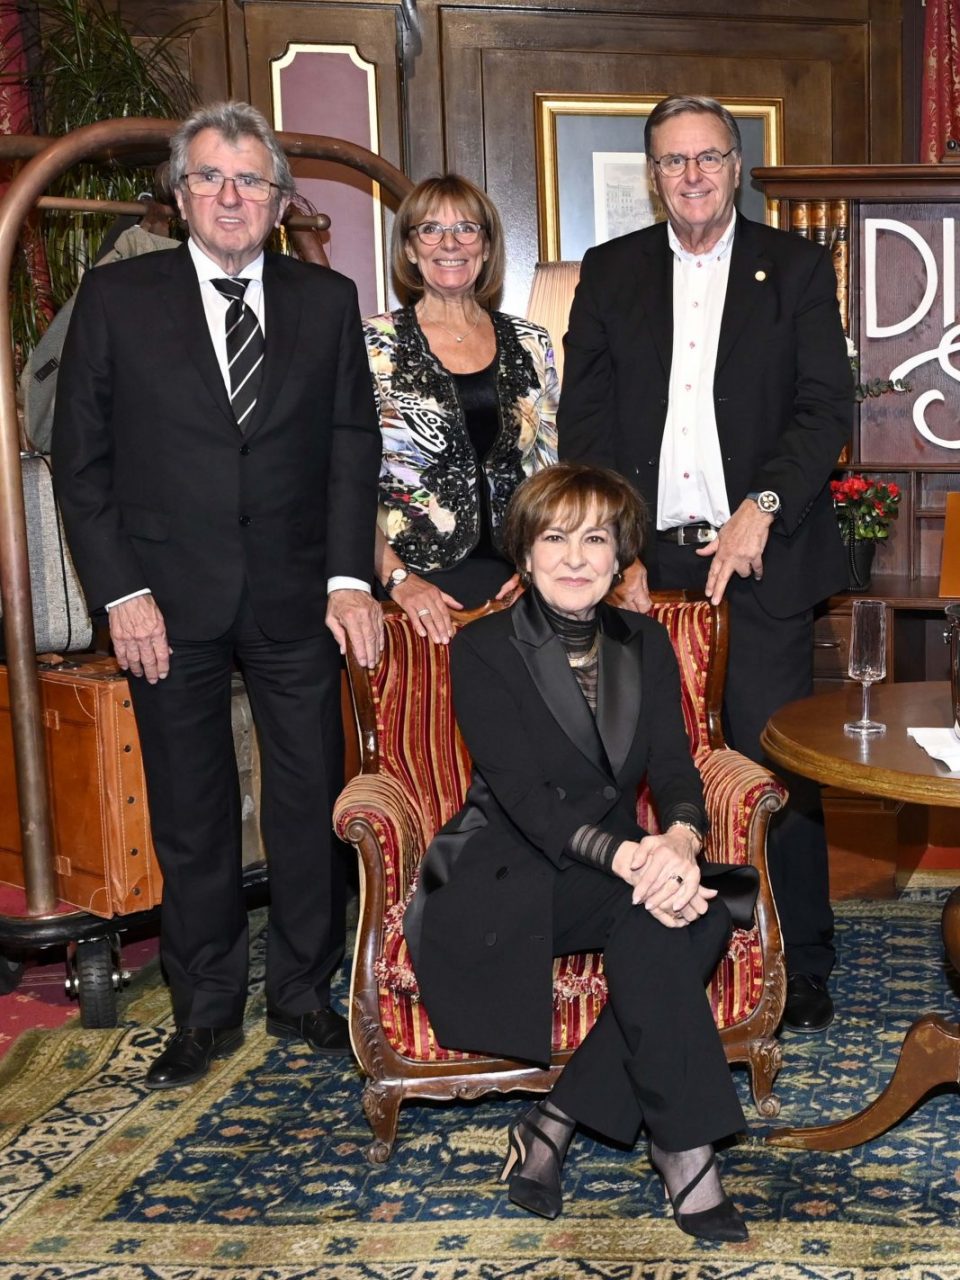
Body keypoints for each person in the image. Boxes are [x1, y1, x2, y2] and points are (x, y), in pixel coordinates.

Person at [52, 101, 383, 1088]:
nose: (230, 196)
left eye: (250, 180)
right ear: (179, 192)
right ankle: (205, 1011)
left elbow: (351, 446)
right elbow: (81, 461)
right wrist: (121, 592)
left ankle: (303, 992)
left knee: (308, 800)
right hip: (164, 600)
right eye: (209, 177)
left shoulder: (327, 300)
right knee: (191, 812)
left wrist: (348, 578)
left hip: (296, 595)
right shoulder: (118, 298)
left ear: (279, 201)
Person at [558, 94, 852, 1034]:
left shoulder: (795, 268)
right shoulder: (610, 271)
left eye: (710, 157)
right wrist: (617, 550)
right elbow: (584, 424)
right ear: (654, 176)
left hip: (760, 556)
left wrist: (761, 508)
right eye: (674, 160)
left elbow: (824, 408)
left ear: (737, 168)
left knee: (773, 758)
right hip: (645, 561)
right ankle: (657, 944)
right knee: (642, 756)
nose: (692, 175)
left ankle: (800, 956)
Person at [403, 463, 749, 1242]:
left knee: (699, 910)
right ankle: (682, 1151)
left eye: (595, 539)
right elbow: (525, 799)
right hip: (503, 870)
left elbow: (675, 767)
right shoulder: (484, 647)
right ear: (525, 555)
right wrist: (635, 862)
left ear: (619, 556)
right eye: (555, 537)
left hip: (611, 861)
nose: (574, 557)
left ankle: (558, 1119)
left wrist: (680, 840)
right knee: (683, 912)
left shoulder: (644, 641)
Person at [363, 174, 558, 644]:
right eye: (430, 229)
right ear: (410, 249)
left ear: (486, 247)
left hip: (519, 587)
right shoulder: (369, 344)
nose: (449, 243)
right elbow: (342, 482)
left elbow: (550, 473)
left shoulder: (532, 342)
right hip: (411, 592)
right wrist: (397, 579)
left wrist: (542, 567)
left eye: (466, 228)